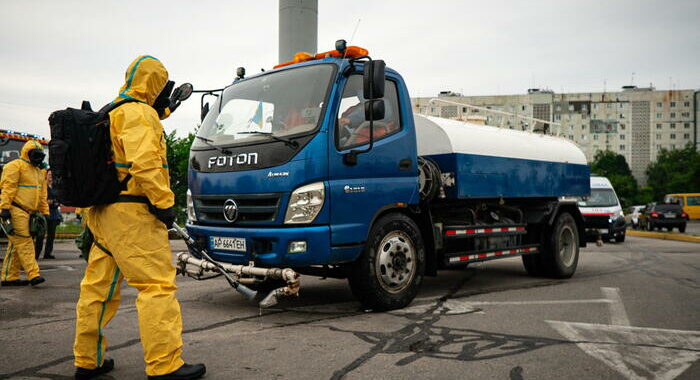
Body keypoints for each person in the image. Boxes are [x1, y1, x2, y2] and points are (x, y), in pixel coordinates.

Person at [72, 55, 205, 380]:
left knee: (96, 290)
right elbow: (145, 163)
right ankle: (165, 365)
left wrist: (166, 109)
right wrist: (164, 204)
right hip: (132, 215)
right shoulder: (141, 114)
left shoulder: (111, 111)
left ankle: (88, 361)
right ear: (153, 83)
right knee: (156, 286)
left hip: (101, 215)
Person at [0, 140, 49, 287]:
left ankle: (9, 276)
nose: (38, 158)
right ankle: (34, 274)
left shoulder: (38, 173)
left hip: (30, 213)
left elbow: (42, 195)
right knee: (25, 242)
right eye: (35, 155)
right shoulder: (15, 166)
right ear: (26, 153)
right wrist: (5, 208)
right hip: (16, 209)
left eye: (40, 155)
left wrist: (44, 212)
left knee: (16, 245)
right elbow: (8, 188)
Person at [34, 170, 61, 259]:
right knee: (40, 235)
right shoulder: (43, 185)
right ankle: (36, 254)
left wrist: (55, 202)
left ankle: (47, 253)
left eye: (52, 175)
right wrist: (47, 202)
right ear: (46, 176)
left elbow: (59, 198)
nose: (50, 176)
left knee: (51, 235)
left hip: (53, 213)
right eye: (49, 174)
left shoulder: (55, 187)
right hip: (43, 213)